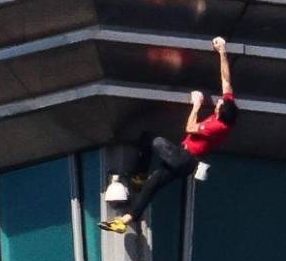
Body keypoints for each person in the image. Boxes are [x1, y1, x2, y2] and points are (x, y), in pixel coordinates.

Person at [99, 36, 237, 233]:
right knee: (153, 184)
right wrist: (222, 51)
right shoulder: (228, 108)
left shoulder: (217, 126)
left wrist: (196, 106)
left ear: (220, 114)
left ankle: (138, 175)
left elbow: (189, 128)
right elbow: (226, 79)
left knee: (152, 140)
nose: (218, 103)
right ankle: (125, 221)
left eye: (219, 105)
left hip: (185, 157)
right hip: (185, 162)